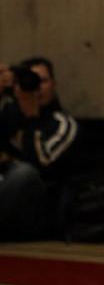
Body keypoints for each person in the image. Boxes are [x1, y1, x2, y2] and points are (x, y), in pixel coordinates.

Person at [0, 56, 80, 240]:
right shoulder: (9, 114)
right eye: (30, 80)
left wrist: (31, 118)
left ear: (53, 84)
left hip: (38, 213)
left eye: (42, 81)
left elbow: (41, 165)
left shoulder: (63, 124)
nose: (37, 87)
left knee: (24, 173)